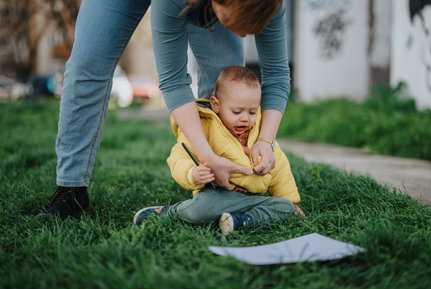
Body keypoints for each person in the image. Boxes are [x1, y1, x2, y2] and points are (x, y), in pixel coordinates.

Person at [37, 0, 291, 219]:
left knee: (227, 84)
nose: (244, 36)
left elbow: (278, 74)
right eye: (238, 26)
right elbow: (173, 80)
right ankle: (70, 191)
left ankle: (224, 188)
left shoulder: (271, 4)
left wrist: (266, 141)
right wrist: (208, 156)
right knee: (87, 64)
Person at [134, 66, 305, 234]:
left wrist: (291, 200)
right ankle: (169, 212)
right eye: (237, 111)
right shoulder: (205, 129)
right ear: (216, 105)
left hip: (254, 198)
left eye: (252, 112)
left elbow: (279, 168)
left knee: (285, 207)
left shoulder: (260, 132)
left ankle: (241, 220)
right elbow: (178, 157)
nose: (245, 119)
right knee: (201, 209)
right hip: (218, 195)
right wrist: (192, 174)